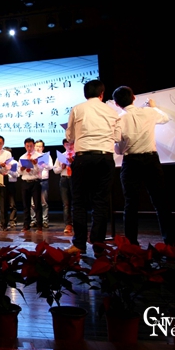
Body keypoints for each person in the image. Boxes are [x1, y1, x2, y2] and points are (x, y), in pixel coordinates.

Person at [112, 85, 175, 246]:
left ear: (116, 104)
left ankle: (131, 243)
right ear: (134, 97)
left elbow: (117, 144)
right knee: (161, 201)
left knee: (131, 203)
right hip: (150, 160)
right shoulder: (149, 112)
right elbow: (166, 118)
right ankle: (171, 241)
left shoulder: (119, 119)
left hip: (131, 162)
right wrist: (154, 107)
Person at [65, 79, 121, 255]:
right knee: (101, 202)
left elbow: (69, 137)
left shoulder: (77, 108)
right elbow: (118, 137)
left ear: (85, 94)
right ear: (102, 94)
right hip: (105, 158)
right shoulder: (112, 111)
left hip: (83, 158)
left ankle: (79, 244)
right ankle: (98, 245)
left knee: (79, 202)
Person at [19, 138, 44, 233]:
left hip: (35, 182)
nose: (29, 148)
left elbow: (41, 169)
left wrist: (35, 164)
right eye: (27, 146)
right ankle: (26, 225)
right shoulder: (22, 157)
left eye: (31, 146)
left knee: (37, 205)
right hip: (25, 182)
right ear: (25, 146)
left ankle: (39, 226)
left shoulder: (39, 156)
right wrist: (21, 168)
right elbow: (19, 172)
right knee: (26, 205)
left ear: (33, 145)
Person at [53, 139, 75, 235]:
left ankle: (77, 223)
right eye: (67, 144)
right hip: (64, 179)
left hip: (74, 179)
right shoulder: (61, 156)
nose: (69, 146)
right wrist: (61, 167)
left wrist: (73, 164)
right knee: (66, 204)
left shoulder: (77, 155)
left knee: (76, 203)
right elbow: (55, 170)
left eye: (71, 144)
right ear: (64, 146)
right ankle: (68, 224)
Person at [31, 140, 53, 228]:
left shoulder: (46, 156)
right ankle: (34, 220)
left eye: (40, 146)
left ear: (43, 148)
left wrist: (44, 164)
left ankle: (45, 220)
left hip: (43, 180)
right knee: (33, 202)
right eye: (36, 146)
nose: (38, 148)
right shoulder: (32, 156)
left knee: (44, 202)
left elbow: (51, 167)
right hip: (34, 180)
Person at [3, 146, 19, 229]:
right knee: (3, 204)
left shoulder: (14, 162)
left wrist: (9, 170)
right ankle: (3, 221)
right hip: (2, 183)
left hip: (11, 183)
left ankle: (12, 220)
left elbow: (17, 174)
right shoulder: (1, 162)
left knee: (12, 204)